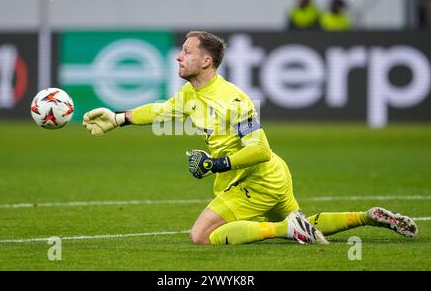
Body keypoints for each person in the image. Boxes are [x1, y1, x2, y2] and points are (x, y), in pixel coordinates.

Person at [83, 31, 418, 245]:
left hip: (257, 179)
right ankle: (367, 216)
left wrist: (217, 163)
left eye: (186, 52)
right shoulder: (189, 94)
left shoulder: (234, 99)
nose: (178, 56)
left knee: (202, 236)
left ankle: (287, 230)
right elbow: (159, 111)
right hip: (272, 177)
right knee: (302, 222)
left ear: (206, 60)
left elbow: (260, 149)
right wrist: (117, 118)